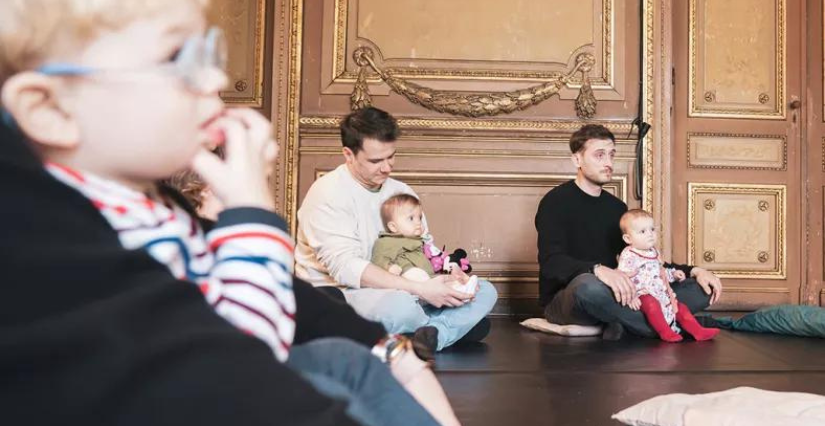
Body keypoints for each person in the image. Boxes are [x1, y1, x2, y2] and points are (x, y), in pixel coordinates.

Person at [0, 1, 454, 425]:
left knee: (343, 357)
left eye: (207, 53)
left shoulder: (148, 199)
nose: (216, 79)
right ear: (47, 109)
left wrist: (396, 354)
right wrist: (251, 214)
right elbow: (245, 355)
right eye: (175, 56)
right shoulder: (52, 237)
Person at [295, 106, 497, 352]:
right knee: (399, 307)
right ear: (348, 154)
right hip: (344, 294)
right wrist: (422, 290)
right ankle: (451, 327)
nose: (387, 168)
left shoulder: (401, 191)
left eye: (391, 156)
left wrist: (450, 274)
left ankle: (433, 334)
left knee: (485, 290)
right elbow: (346, 269)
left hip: (410, 287)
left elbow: (424, 248)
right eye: (375, 161)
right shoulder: (327, 193)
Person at [535, 124, 723, 340]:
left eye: (611, 155)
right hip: (570, 297)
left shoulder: (616, 208)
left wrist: (695, 271)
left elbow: (644, 259)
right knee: (589, 287)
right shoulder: (555, 202)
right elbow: (551, 263)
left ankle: (624, 323)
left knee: (700, 289)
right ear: (577, 160)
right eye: (599, 155)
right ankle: (666, 325)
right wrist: (597, 270)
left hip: (620, 293)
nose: (608, 163)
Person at [617, 209, 720, 342]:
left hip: (660, 292)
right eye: (643, 231)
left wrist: (673, 274)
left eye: (652, 229)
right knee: (651, 305)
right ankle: (665, 331)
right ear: (628, 238)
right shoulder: (629, 255)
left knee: (680, 308)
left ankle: (698, 331)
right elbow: (623, 277)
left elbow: (660, 271)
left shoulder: (654, 252)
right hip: (642, 293)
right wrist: (631, 296)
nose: (650, 234)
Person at [371, 193, 478, 294]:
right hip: (407, 275)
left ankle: (460, 288)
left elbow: (431, 257)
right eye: (411, 218)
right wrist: (389, 267)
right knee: (419, 276)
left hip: (427, 276)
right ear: (393, 227)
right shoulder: (387, 241)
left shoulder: (419, 241)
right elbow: (378, 259)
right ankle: (453, 291)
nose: (418, 222)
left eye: (420, 218)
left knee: (440, 279)